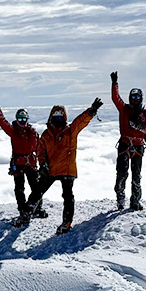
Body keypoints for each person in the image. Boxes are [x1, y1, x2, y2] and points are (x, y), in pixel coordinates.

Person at [30, 97, 102, 234]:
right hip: (50, 169)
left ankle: (66, 222)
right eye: (55, 116)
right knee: (38, 191)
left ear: (65, 117)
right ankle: (26, 213)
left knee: (68, 196)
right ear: (51, 117)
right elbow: (41, 151)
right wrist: (43, 164)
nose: (58, 119)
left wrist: (91, 111)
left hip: (67, 169)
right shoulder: (46, 135)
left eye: (60, 116)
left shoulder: (71, 131)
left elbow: (81, 121)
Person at [0, 95, 48, 226]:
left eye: (24, 118)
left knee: (36, 187)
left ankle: (36, 208)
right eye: (20, 118)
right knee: (19, 188)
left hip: (31, 163)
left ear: (27, 120)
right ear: (16, 119)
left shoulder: (33, 133)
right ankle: (23, 210)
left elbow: (40, 148)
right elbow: (2, 122)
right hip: (19, 164)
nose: (22, 121)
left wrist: (44, 162)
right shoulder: (13, 131)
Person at [110, 70, 146, 211]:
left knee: (136, 176)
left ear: (141, 98)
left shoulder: (145, 114)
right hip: (125, 144)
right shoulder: (124, 109)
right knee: (122, 174)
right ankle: (120, 199)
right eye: (133, 96)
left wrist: (139, 127)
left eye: (138, 96)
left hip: (138, 146)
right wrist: (114, 84)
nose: (135, 99)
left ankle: (135, 201)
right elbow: (115, 98)